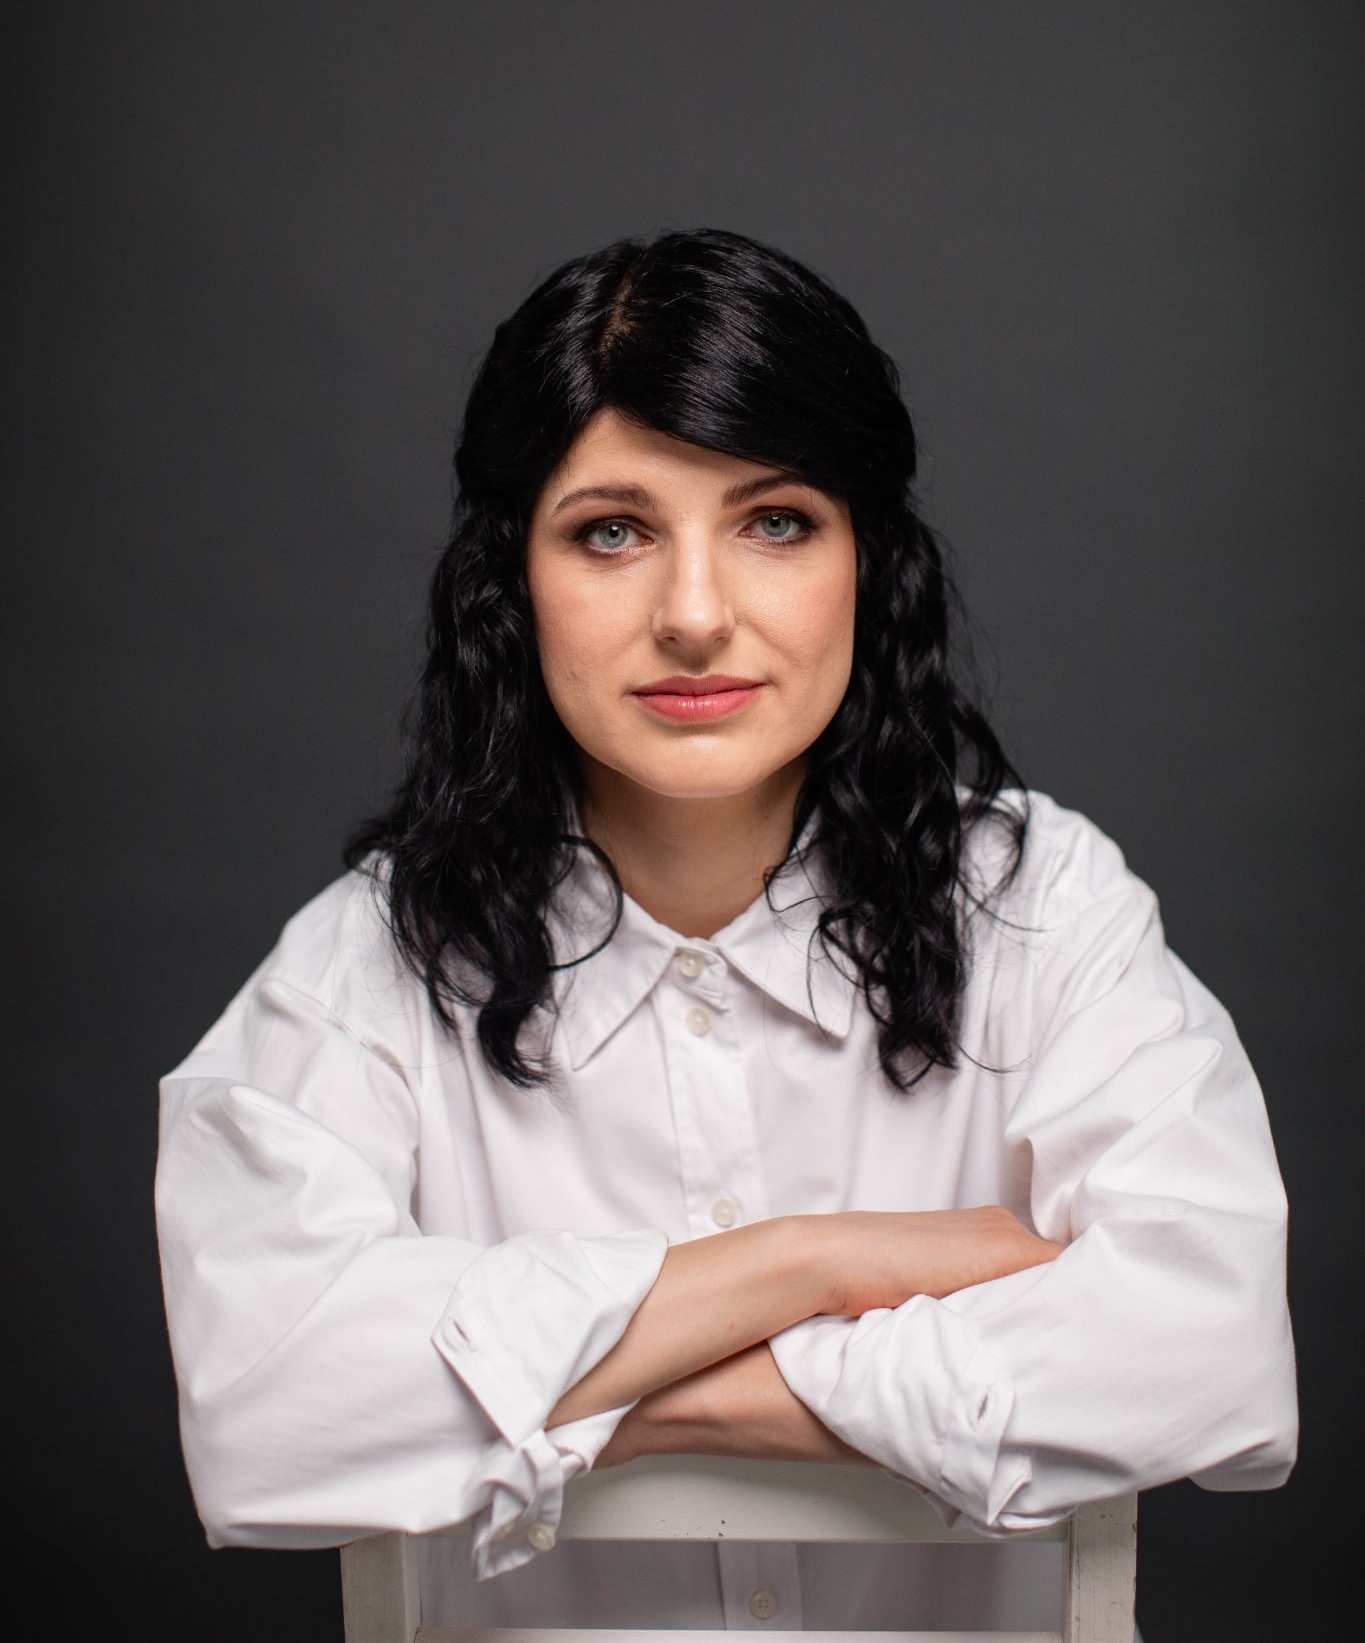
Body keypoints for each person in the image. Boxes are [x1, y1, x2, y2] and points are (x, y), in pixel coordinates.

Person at [155, 227, 1297, 1634]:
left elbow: (1212, 1352)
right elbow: (264, 1410)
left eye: (775, 522)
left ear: (867, 561)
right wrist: (814, 1264)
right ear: (512, 579)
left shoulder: (1042, 907)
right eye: (611, 531)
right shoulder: (369, 964)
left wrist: (588, 1391)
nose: (694, 616)